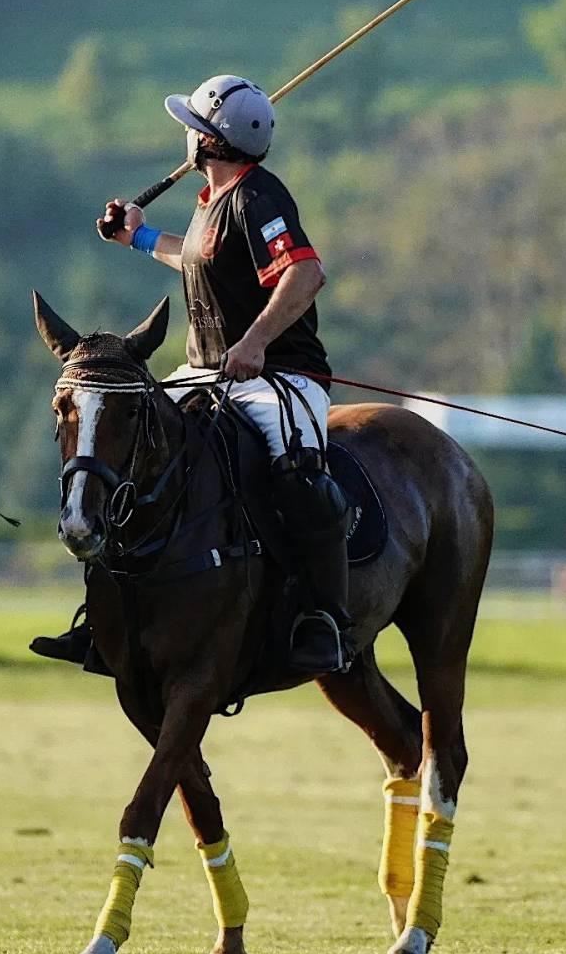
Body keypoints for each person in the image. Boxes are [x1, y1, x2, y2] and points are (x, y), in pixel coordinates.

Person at [32, 74, 353, 677]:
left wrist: (255, 341)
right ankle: (105, 616)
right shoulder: (213, 204)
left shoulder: (261, 197)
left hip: (278, 377)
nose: (185, 135)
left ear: (209, 143)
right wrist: (137, 236)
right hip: (205, 373)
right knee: (134, 454)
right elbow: (200, 257)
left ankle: (324, 618)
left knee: (300, 482)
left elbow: (305, 274)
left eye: (192, 127)